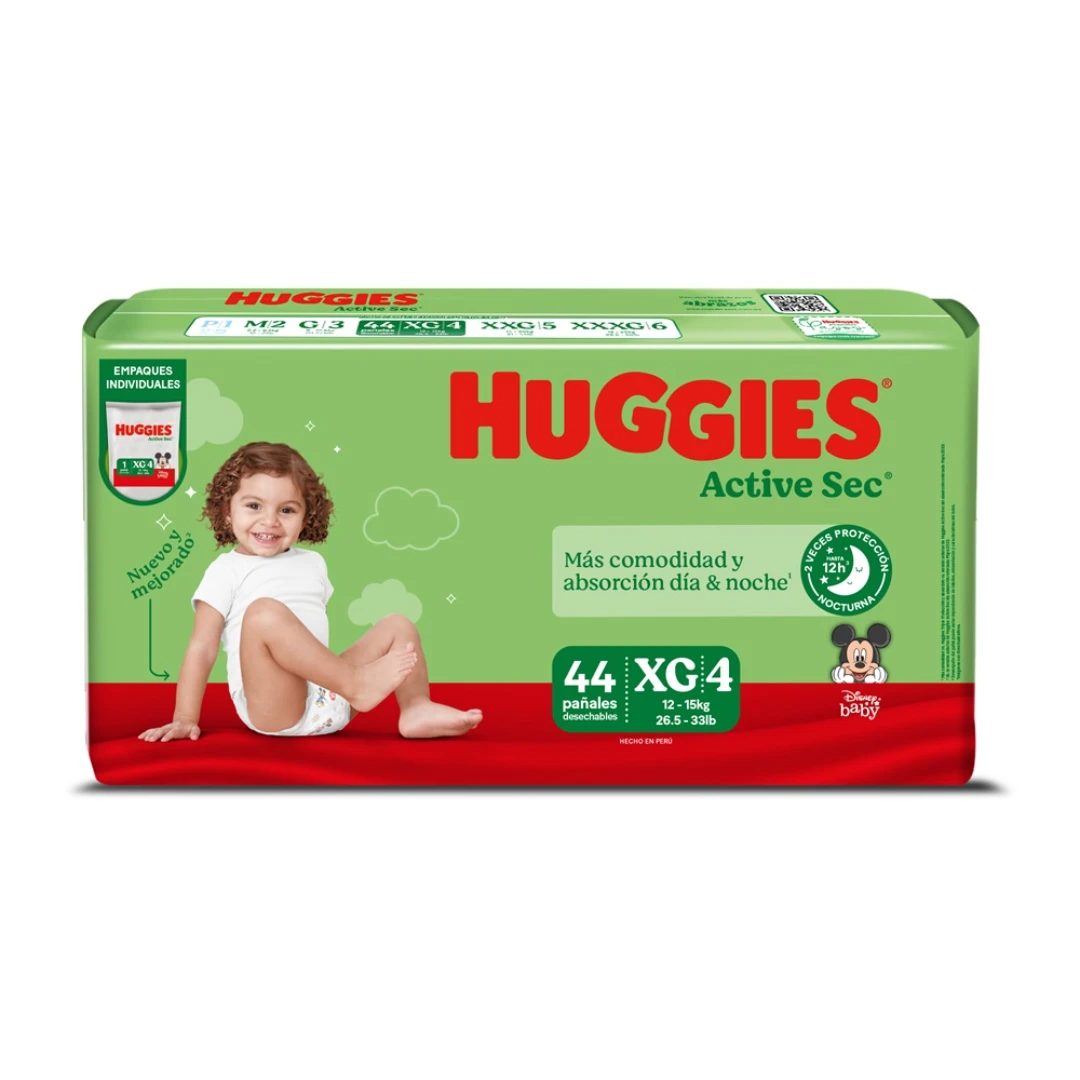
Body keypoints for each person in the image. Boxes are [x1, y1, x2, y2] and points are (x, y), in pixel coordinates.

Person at [138, 442, 482, 742]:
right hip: (274, 708)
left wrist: (337, 681)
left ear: (306, 517)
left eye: (287, 510)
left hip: (330, 696)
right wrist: (185, 717)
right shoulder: (225, 570)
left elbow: (310, 639)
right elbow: (202, 648)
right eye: (254, 506)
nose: (270, 520)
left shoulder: (313, 563)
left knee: (397, 624)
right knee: (263, 613)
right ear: (227, 511)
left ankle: (416, 707)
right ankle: (357, 684)